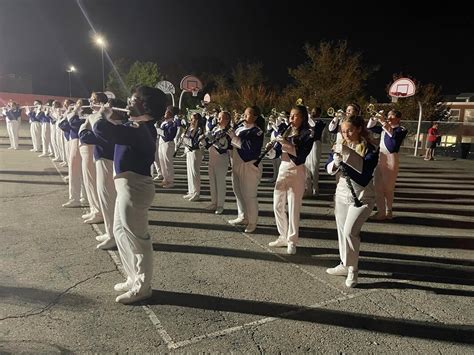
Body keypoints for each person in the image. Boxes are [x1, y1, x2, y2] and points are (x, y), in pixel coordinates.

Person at [91, 85, 167, 304]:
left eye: (133, 100)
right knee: (120, 232)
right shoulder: (137, 126)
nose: (128, 103)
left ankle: (143, 286)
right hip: (126, 184)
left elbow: (103, 131)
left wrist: (102, 116)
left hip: (135, 187)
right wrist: (110, 118)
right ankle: (132, 277)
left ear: (145, 105)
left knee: (137, 240)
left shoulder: (142, 128)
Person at [325, 115, 379, 288]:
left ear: (358, 129)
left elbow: (363, 176)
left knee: (350, 232)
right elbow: (329, 169)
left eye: (349, 130)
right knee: (341, 232)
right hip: (341, 194)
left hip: (363, 196)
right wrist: (334, 162)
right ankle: (344, 263)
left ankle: (353, 270)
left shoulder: (371, 148)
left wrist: (345, 155)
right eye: (343, 131)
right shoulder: (340, 146)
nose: (346, 134)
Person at [268, 105, 314, 255]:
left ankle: (292, 240)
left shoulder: (307, 133)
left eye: (295, 116)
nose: (291, 119)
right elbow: (277, 153)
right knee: (277, 205)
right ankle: (283, 235)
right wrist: (272, 149)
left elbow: (300, 155)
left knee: (294, 207)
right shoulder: (286, 131)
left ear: (302, 118)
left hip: (296, 169)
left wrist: (284, 143)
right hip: (283, 168)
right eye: (290, 116)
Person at [227, 106, 264, 233]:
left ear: (255, 117)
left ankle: (252, 221)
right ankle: (243, 216)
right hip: (236, 163)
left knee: (249, 195)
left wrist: (234, 138)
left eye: (247, 114)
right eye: (244, 114)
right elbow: (233, 145)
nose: (244, 116)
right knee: (238, 191)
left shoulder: (256, 131)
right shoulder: (240, 128)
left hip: (248, 164)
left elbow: (248, 148)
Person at [368, 109, 407, 220]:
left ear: (398, 118)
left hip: (391, 157)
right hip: (380, 156)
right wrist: (374, 117)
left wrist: (383, 122)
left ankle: (388, 210)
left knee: (388, 187)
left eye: (392, 115)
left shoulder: (401, 129)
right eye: (388, 115)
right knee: (377, 186)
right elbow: (370, 127)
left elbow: (393, 137)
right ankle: (380, 212)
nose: (389, 117)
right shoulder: (384, 127)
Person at [204, 110, 232, 214]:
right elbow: (208, 143)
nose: (218, 120)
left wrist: (213, 141)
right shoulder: (215, 128)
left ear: (227, 120)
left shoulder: (228, 131)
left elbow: (225, 147)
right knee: (212, 182)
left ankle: (220, 205)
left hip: (221, 158)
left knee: (220, 183)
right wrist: (205, 140)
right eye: (218, 118)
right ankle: (214, 202)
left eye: (221, 118)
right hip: (212, 157)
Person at [182, 112, 206, 201]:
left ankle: (197, 192)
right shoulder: (189, 127)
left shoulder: (199, 129)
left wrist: (188, 139)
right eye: (191, 119)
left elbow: (196, 140)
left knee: (195, 172)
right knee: (189, 172)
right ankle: (191, 191)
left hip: (195, 151)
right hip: (188, 150)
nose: (191, 121)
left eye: (193, 119)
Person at [304, 107, 326, 197]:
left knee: (314, 166)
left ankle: (315, 188)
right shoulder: (307, 121)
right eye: (312, 112)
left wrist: (309, 116)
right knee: (306, 166)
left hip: (315, 144)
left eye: (314, 112)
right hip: (307, 143)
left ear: (319, 114)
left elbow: (314, 127)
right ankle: (308, 188)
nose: (312, 113)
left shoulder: (320, 122)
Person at [157, 106, 178, 188]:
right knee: (162, 162)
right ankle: (165, 179)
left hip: (167, 143)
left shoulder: (172, 123)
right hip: (161, 143)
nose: (165, 113)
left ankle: (170, 180)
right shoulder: (164, 122)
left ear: (170, 113)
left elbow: (169, 135)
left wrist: (159, 131)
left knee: (167, 162)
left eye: (167, 111)